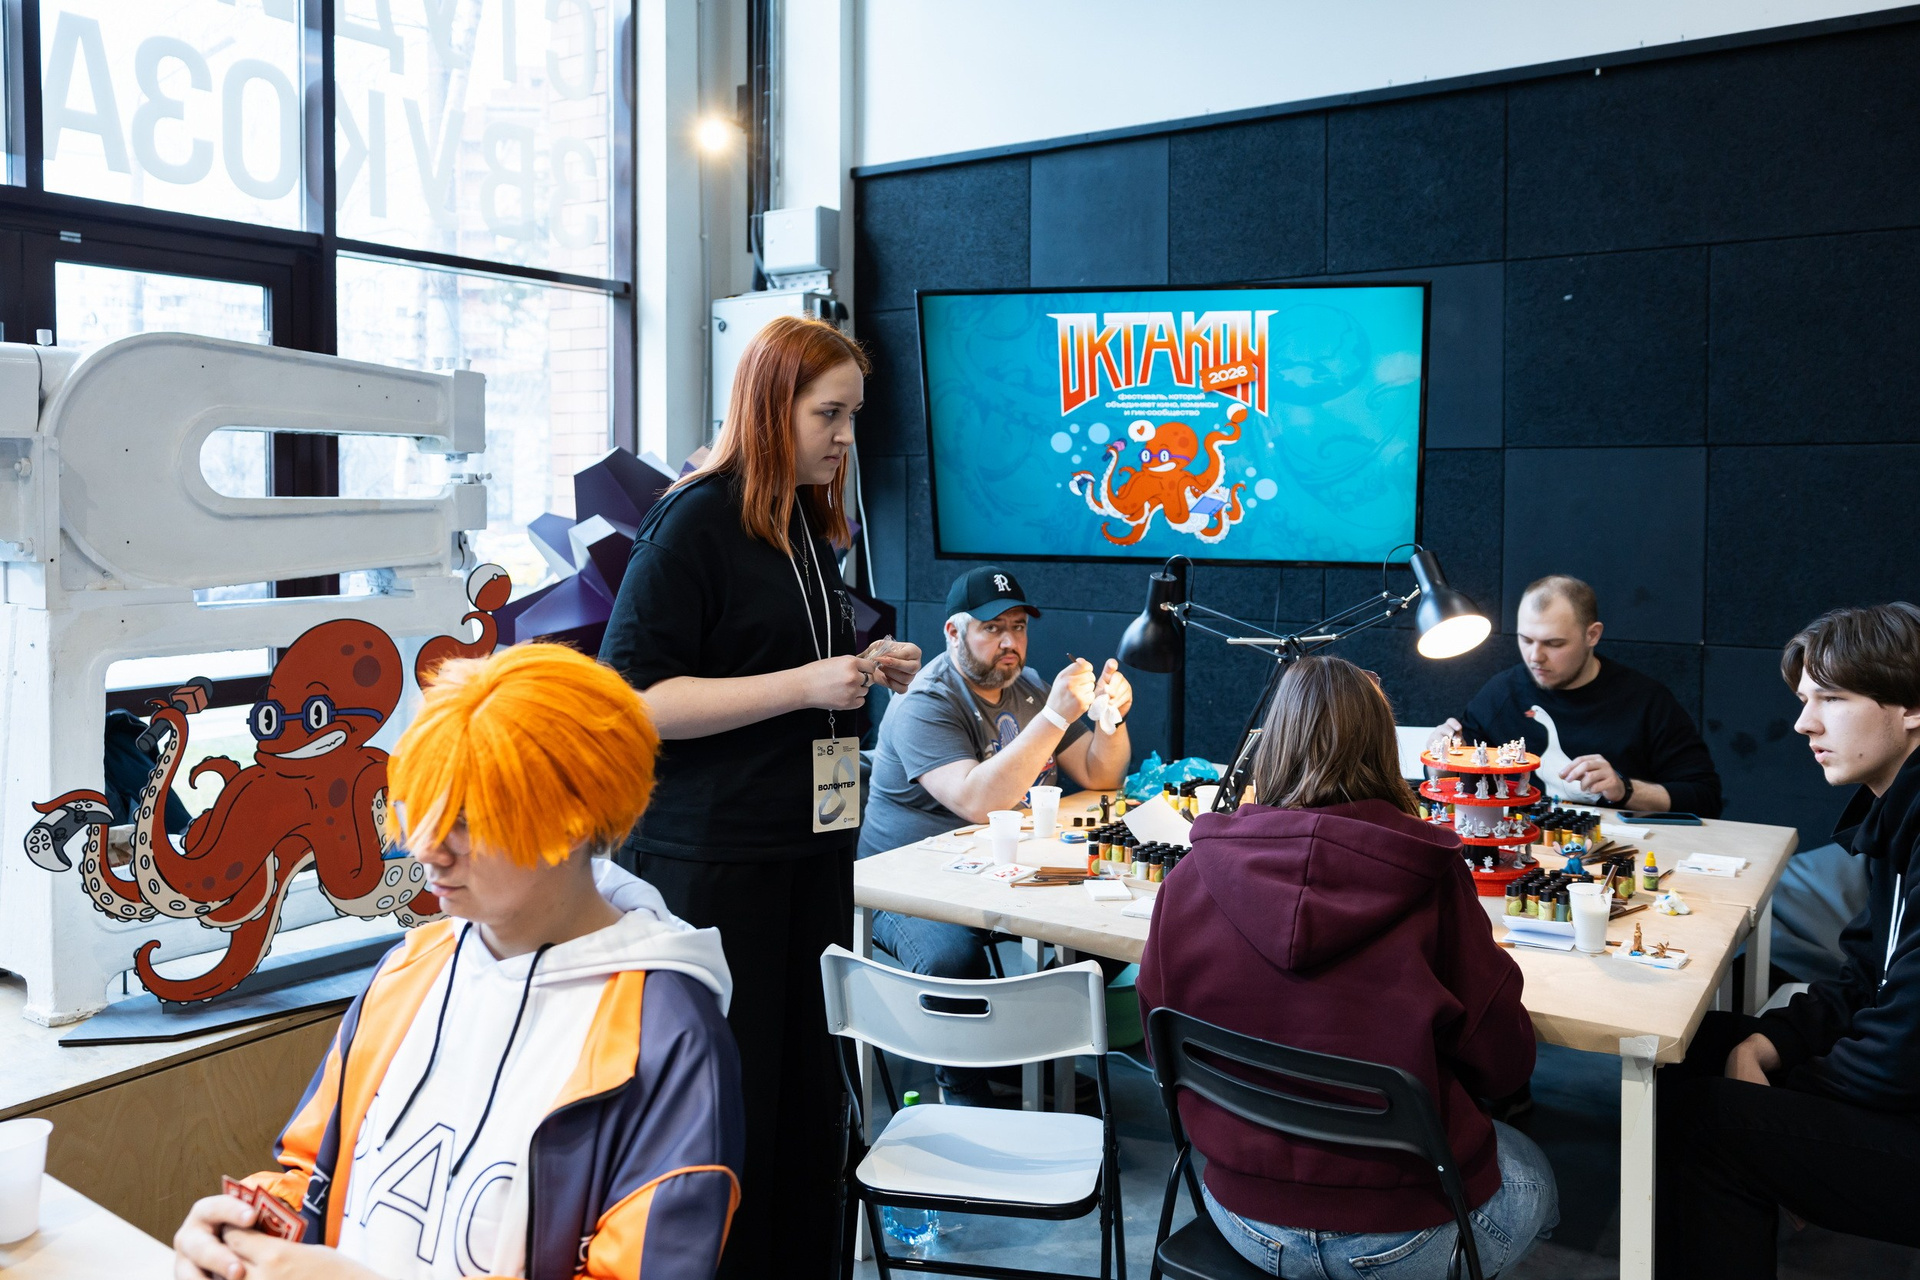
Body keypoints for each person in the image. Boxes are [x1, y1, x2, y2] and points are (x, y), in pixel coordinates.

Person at [170, 643, 743, 1280]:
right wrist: (243, 1229)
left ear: (574, 821)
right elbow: (316, 1177)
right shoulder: (411, 968)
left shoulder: (668, 1037)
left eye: (467, 822)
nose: (428, 850)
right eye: (421, 810)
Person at [599, 315, 921, 1280]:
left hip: (807, 851)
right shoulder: (694, 521)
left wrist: (863, 664)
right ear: (772, 406)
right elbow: (635, 700)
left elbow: (780, 659)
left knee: (805, 1110)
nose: (847, 438)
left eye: (854, 416)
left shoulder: (803, 522)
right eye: (830, 415)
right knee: (728, 1111)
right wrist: (804, 684)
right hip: (715, 865)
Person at [1138, 656, 1557, 1279]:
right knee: (1534, 1167)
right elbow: (1504, 1066)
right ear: (1383, 749)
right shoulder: (1434, 881)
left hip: (1242, 1215)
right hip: (1408, 1233)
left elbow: (1161, 1052)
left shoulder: (1189, 876)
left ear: (1272, 747)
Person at [1656, 602, 1920, 1278]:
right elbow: (1864, 979)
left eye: (1832, 698)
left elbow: (1903, 1048)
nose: (1805, 723)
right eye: (1805, 701)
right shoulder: (1897, 818)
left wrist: (1781, 1094)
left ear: (1912, 708)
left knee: (1709, 1125)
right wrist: (1762, 1046)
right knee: (1690, 1051)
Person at [860, 564, 1132, 1104]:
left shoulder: (1026, 687)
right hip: (907, 883)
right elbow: (976, 801)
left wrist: (1110, 717)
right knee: (952, 960)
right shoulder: (927, 699)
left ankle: (1022, 1052)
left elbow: (1101, 774)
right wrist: (1054, 718)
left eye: (1018, 627)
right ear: (953, 632)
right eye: (992, 628)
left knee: (1108, 926)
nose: (1010, 642)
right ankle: (964, 1086)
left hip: (997, 873)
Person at [1445, 574, 1722, 816]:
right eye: (1526, 640)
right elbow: (1458, 778)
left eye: (1554, 644)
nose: (1535, 656)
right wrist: (1441, 761)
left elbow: (1705, 798)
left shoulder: (1646, 701)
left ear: (1592, 635)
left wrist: (1625, 790)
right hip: (1524, 846)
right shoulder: (1501, 694)